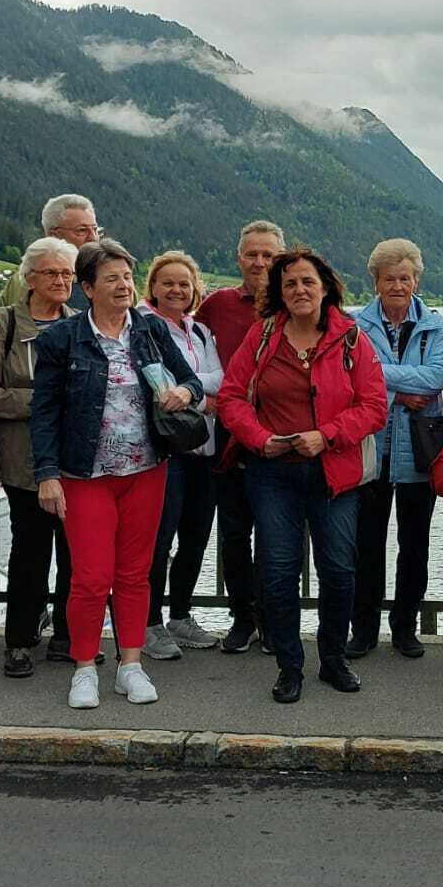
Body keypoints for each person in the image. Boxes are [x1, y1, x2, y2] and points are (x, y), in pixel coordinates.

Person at [30, 238, 200, 710]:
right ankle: (85, 667)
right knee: (89, 576)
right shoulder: (60, 340)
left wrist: (183, 395)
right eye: (112, 279)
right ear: (87, 287)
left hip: (147, 469)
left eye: (127, 276)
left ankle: (130, 665)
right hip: (84, 474)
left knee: (135, 574)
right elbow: (42, 411)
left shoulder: (149, 330)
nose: (124, 285)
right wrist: (47, 474)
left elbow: (189, 379)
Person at [217, 248, 388, 704]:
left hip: (334, 473)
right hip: (272, 473)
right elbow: (232, 397)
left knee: (338, 570)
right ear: (279, 292)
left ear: (326, 287)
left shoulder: (352, 339)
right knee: (276, 572)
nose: (299, 290)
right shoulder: (261, 336)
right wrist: (257, 438)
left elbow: (374, 407)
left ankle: (332, 659)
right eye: (290, 283)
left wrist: (326, 435)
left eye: (307, 282)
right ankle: (289, 666)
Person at [0, 236, 79, 677]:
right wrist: (43, 401)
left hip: (75, 461)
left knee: (76, 554)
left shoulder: (81, 323)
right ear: (29, 277)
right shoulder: (3, 324)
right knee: (29, 552)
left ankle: (69, 635)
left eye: (67, 274)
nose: (60, 281)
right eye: (51, 273)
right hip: (23, 462)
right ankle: (18, 641)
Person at [347, 238, 443, 660]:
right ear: (375, 282)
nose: (397, 285)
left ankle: (405, 627)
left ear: (416, 280)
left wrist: (384, 382)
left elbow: (438, 377)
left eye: (405, 278)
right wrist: (399, 393)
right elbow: (353, 377)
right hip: (372, 449)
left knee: (416, 544)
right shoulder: (354, 326)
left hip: (419, 451)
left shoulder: (435, 324)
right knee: (366, 544)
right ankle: (364, 629)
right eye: (389, 278)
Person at [197, 219, 288, 654]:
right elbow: (188, 351)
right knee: (234, 535)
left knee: (277, 537)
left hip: (280, 441)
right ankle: (242, 617)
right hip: (230, 440)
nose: (259, 262)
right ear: (239, 258)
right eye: (252, 254)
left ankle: (273, 620)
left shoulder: (295, 303)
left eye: (268, 255)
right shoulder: (216, 305)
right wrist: (205, 399)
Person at [141, 249, 226, 658]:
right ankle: (149, 623)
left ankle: (180, 615)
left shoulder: (200, 331)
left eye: (184, 283)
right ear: (153, 288)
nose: (176, 289)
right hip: (169, 450)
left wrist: (192, 390)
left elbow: (218, 377)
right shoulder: (145, 327)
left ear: (195, 290)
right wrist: (200, 396)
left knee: (195, 536)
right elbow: (161, 386)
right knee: (160, 538)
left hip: (204, 448)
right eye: (167, 283)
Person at [32, 193, 99, 312]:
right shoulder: (30, 278)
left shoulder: (112, 278)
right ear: (54, 235)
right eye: (82, 230)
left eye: (95, 229)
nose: (93, 238)